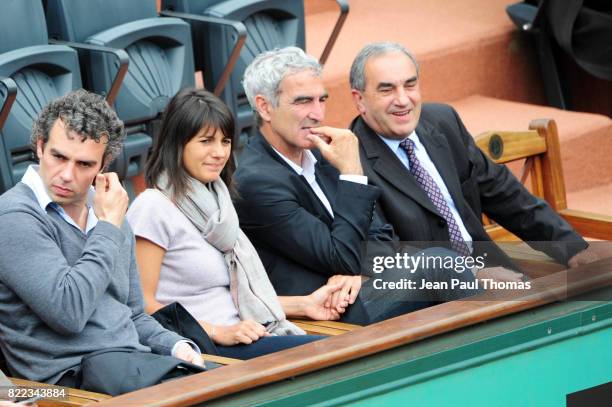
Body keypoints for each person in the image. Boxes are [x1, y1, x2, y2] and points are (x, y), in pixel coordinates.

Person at [233, 47, 480, 326]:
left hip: (363, 288)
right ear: (265, 107)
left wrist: (361, 274)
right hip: (326, 314)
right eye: (303, 102)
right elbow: (340, 256)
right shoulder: (256, 182)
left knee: (446, 269)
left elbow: (381, 236)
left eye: (321, 100)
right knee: (439, 266)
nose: (317, 113)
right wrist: (352, 171)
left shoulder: (319, 153)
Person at [0, 90, 202, 391]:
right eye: (58, 156)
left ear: (103, 164)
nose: (67, 175)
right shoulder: (13, 217)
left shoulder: (109, 211)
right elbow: (68, 313)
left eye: (84, 164)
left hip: (131, 366)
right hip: (68, 381)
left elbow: (132, 314)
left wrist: (177, 347)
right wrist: (107, 227)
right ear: (40, 147)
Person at [127, 88, 338, 360]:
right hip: (208, 347)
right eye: (206, 141)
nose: (219, 152)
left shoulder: (219, 201)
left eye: (225, 141)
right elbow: (142, 306)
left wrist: (304, 304)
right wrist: (217, 331)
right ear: (177, 144)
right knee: (333, 356)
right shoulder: (153, 207)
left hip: (250, 334)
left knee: (352, 351)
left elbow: (237, 296)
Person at [348, 41, 599, 269]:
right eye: (387, 90)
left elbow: (505, 194)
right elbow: (386, 257)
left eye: (410, 85)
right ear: (359, 100)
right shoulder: (350, 162)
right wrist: (474, 275)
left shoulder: (443, 122)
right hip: (430, 305)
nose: (403, 100)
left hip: (499, 275)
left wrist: (572, 248)